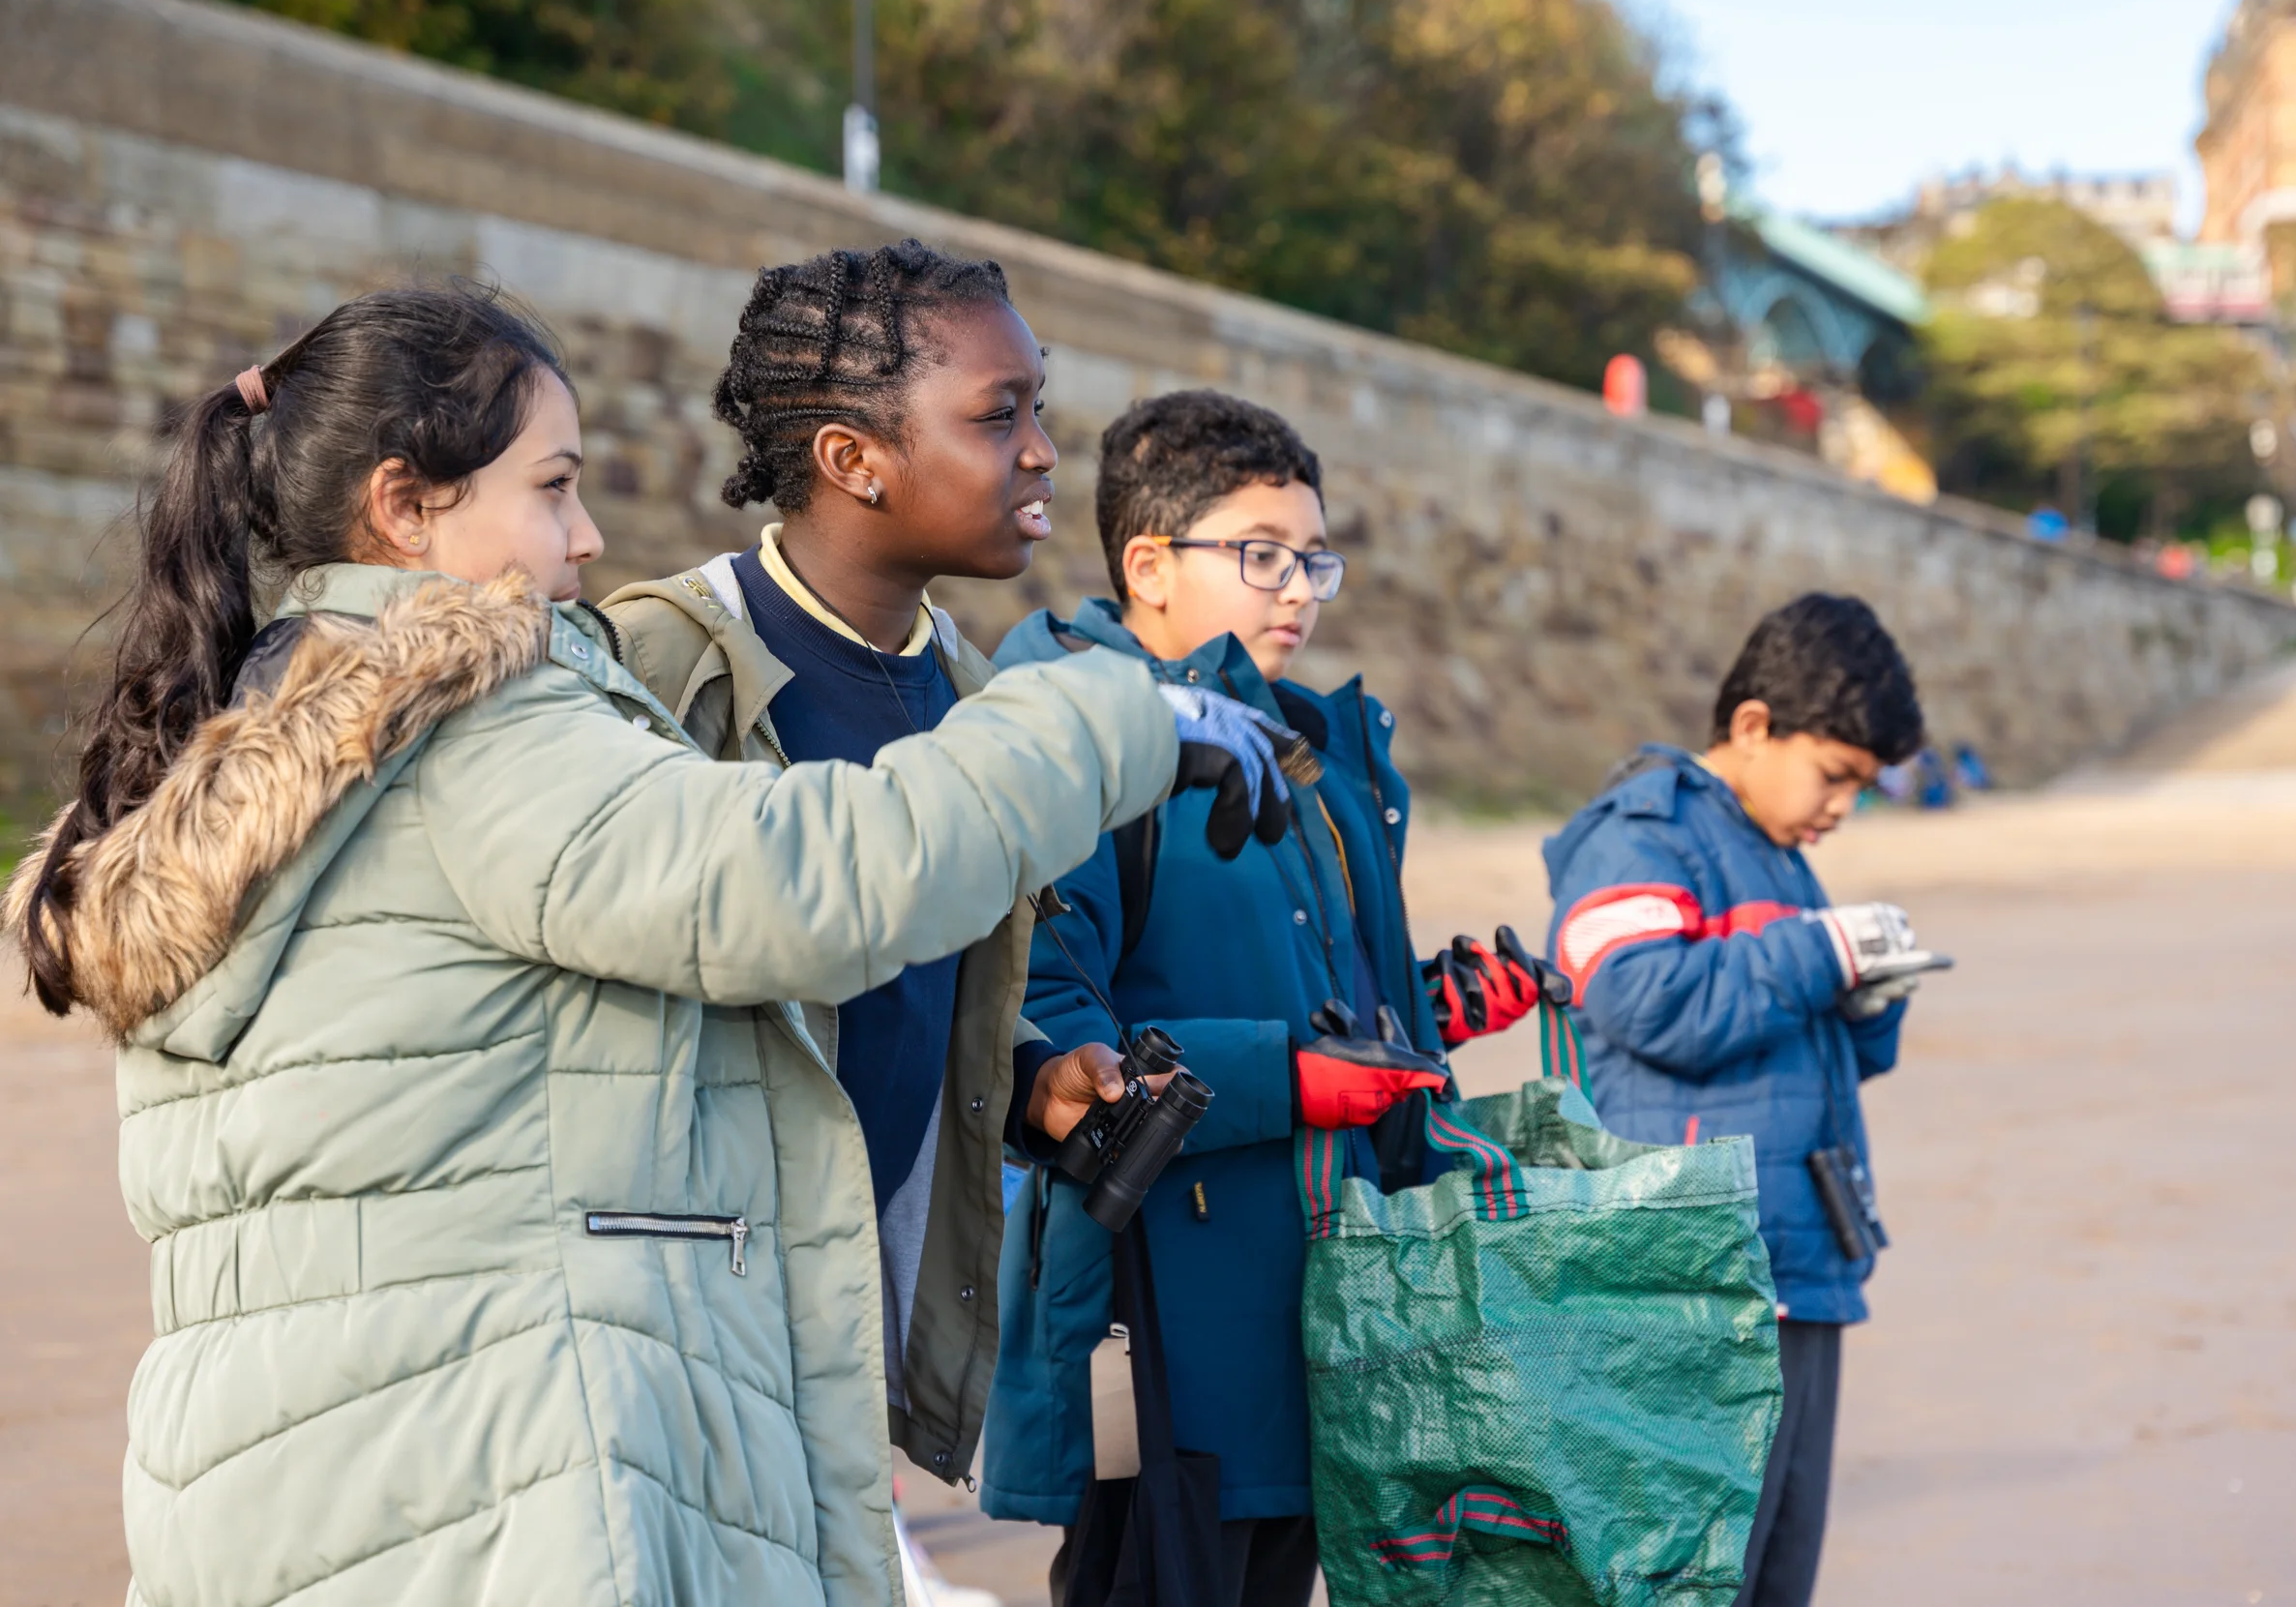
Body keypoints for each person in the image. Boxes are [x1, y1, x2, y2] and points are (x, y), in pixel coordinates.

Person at [4, 284, 1293, 1607]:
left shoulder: (260, 757)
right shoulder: (468, 731)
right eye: (553, 487)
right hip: (499, 1489)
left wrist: (1014, 1073)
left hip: (297, 1492)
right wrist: (1111, 719)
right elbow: (800, 882)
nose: (588, 537)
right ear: (405, 507)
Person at [596, 240, 1295, 1491]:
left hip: (853, 1312)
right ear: (853, 459)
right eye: (997, 414)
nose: (1041, 450)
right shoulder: (654, 666)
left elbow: (915, 985)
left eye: (1041, 407)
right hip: (667, 1326)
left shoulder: (981, 698)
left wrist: (1033, 1079)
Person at [977, 391, 1550, 1606]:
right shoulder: (1059, 736)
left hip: (1321, 1305)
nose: (1297, 587)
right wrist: (1283, 1078)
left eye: (1312, 557)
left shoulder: (1307, 743)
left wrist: (1435, 1008)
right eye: (1260, 554)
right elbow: (1045, 1029)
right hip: (1163, 1317)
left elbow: (1328, 1001)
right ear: (1147, 564)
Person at [1541, 593, 1931, 1607]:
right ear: (1753, 726)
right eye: (1835, 773)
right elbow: (1640, 995)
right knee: (1693, 1575)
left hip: (1800, 1259)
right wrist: (1821, 949)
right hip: (1691, 1280)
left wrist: (1870, 996)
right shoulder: (1639, 830)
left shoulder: (1782, 855)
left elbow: (1816, 1054)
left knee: (1776, 1571)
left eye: (1862, 783)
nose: (1843, 803)